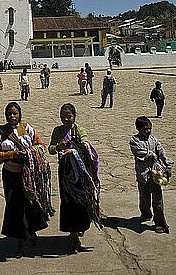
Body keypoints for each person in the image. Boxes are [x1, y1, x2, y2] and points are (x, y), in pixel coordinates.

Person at [0, 102, 53, 255]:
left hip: (28, 173)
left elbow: (41, 145)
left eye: (15, 113)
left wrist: (29, 152)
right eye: (9, 113)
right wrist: (11, 155)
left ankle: (32, 231)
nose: (12, 116)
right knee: (13, 205)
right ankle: (18, 238)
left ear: (20, 115)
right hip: (10, 174)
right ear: (5, 115)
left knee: (30, 203)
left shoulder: (27, 129)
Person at [49, 103, 101, 254]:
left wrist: (72, 150)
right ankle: (73, 234)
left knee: (80, 202)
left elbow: (85, 145)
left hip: (79, 171)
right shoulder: (57, 131)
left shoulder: (79, 130)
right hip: (65, 172)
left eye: (69, 116)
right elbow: (51, 148)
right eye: (63, 117)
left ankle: (79, 229)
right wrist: (59, 147)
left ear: (74, 116)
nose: (65, 119)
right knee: (68, 203)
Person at [130, 116, 173, 233]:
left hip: (156, 174)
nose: (148, 131)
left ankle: (159, 222)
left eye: (149, 128)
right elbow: (137, 151)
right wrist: (150, 154)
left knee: (158, 198)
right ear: (139, 129)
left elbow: (162, 152)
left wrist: (168, 165)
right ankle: (146, 213)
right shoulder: (134, 140)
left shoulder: (153, 140)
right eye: (145, 129)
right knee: (144, 197)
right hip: (142, 174)